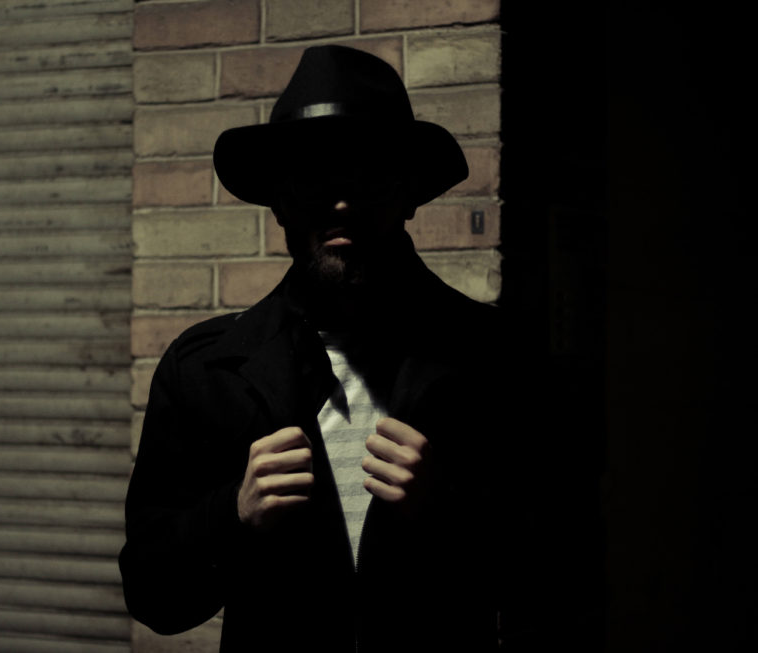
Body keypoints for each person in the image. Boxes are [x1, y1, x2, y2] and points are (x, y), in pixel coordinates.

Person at [120, 45, 569, 652]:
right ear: (280, 202)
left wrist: (447, 509)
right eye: (314, 178)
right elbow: (154, 597)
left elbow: (559, 584)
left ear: (408, 195)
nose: (341, 202)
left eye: (368, 176)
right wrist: (234, 513)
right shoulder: (206, 369)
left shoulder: (497, 358)